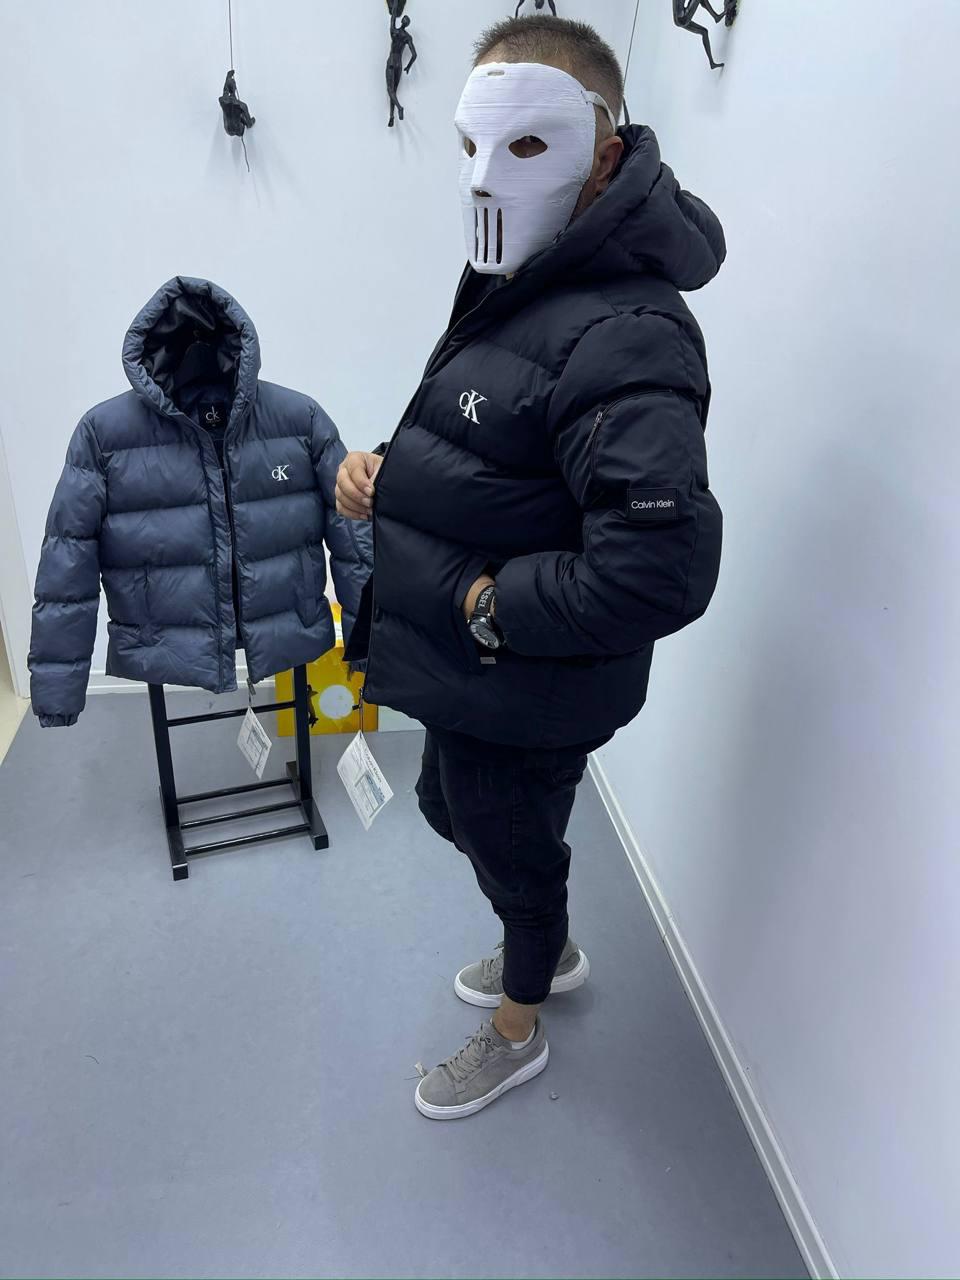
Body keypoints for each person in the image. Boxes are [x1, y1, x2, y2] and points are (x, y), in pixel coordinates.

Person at [338, 14, 725, 1120]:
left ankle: (519, 1020)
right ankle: (541, 943)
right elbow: (500, 436)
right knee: (448, 804)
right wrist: (385, 469)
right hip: (478, 671)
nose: (482, 177)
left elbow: (655, 571)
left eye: (522, 145)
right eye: (471, 144)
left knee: (510, 846)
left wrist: (481, 602)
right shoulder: (523, 278)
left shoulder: (630, 331)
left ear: (603, 154)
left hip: (528, 677)